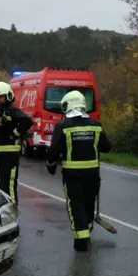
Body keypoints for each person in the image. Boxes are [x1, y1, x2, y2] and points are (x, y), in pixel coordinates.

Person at [45, 90, 112, 252]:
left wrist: (51, 165)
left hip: (72, 176)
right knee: (89, 204)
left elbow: (54, 150)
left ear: (68, 106)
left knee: (75, 206)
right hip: (93, 175)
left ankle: (81, 241)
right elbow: (107, 147)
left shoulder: (62, 126)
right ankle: (86, 230)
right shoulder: (96, 125)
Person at [0, 81, 33, 205]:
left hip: (10, 155)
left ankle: (12, 212)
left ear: (8, 96)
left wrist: (15, 134)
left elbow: (27, 121)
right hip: (1, 154)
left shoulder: (12, 110)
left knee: (9, 186)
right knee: (2, 185)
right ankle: (5, 210)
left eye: (1, 97)